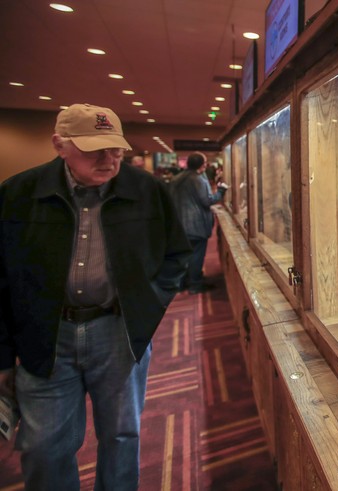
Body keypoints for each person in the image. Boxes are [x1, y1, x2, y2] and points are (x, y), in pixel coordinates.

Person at [0, 103, 191, 490]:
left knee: (122, 435)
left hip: (118, 332)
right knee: (43, 446)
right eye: (94, 148)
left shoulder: (148, 190)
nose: (108, 159)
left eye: (116, 148)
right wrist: (4, 355)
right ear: (60, 145)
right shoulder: (17, 194)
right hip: (46, 335)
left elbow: (176, 255)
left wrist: (147, 303)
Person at [170, 152, 227, 293]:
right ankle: (195, 285)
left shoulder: (176, 179)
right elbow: (207, 200)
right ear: (202, 165)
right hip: (195, 226)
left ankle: (181, 284)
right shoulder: (198, 180)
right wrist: (221, 191)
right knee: (196, 256)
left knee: (183, 257)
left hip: (178, 225)